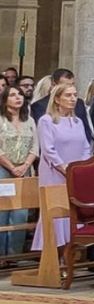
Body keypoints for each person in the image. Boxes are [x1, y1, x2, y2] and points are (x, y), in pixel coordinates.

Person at [33, 82, 93, 252]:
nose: (73, 99)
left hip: (75, 174)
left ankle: (69, 253)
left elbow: (86, 147)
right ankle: (53, 253)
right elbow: (48, 149)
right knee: (56, 212)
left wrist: (81, 168)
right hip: (54, 173)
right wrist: (65, 168)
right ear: (57, 99)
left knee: (71, 211)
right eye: (68, 95)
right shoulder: (47, 121)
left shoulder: (77, 121)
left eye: (75, 95)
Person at [0, 85, 38, 257]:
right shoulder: (1, 119)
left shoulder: (29, 121)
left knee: (21, 213)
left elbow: (35, 146)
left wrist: (25, 165)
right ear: (5, 99)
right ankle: (1, 255)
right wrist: (11, 167)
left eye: (20, 95)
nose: (18, 97)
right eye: (13, 95)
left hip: (24, 170)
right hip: (3, 169)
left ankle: (14, 254)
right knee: (2, 211)